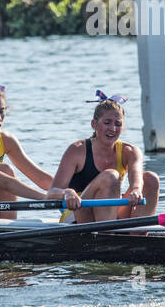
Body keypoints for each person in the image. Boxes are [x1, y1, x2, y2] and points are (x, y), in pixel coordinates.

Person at [0, 80, 80, 220]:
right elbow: (4, 182)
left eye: (2, 112)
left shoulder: (6, 140)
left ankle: (7, 227)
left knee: (5, 169)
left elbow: (40, 177)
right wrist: (46, 198)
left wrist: (71, 192)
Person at [51, 91, 159, 224]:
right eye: (107, 123)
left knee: (151, 179)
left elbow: (136, 178)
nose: (113, 129)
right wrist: (67, 193)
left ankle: (139, 236)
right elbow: (51, 192)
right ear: (94, 124)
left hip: (111, 213)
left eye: (118, 124)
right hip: (78, 214)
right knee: (110, 176)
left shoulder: (130, 151)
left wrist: (136, 189)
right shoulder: (77, 150)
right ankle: (108, 237)